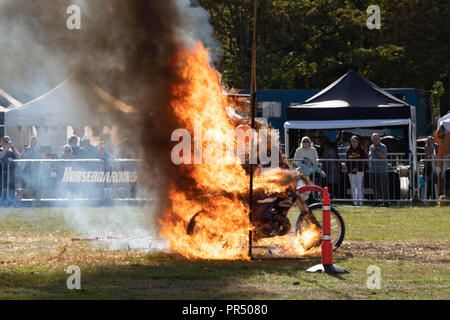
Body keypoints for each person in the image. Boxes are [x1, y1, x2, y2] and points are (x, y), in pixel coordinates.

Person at [345, 136, 368, 206]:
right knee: (353, 187)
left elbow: (364, 161)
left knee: (359, 186)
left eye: (355, 141)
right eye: (352, 141)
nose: (354, 143)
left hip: (360, 171)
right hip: (351, 172)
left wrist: (357, 168)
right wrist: (351, 168)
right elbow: (347, 162)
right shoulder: (348, 150)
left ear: (358, 142)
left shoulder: (362, 150)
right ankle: (355, 202)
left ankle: (360, 202)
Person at [369, 133, 389, 206]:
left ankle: (386, 202)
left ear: (380, 139)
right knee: (374, 187)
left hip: (382, 170)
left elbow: (383, 156)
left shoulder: (383, 146)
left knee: (383, 186)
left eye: (376, 138)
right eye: (373, 138)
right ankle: (376, 201)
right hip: (373, 170)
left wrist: (375, 150)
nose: (375, 140)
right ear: (371, 139)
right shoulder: (370, 147)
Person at [0, 136, 21, 204]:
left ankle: (10, 203)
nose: (7, 143)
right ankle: (2, 203)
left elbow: (19, 157)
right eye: (6, 141)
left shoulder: (12, 152)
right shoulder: (1, 150)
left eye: (9, 142)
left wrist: (13, 149)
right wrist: (5, 149)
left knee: (11, 190)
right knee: (2, 190)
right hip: (2, 175)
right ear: (2, 143)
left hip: (12, 175)